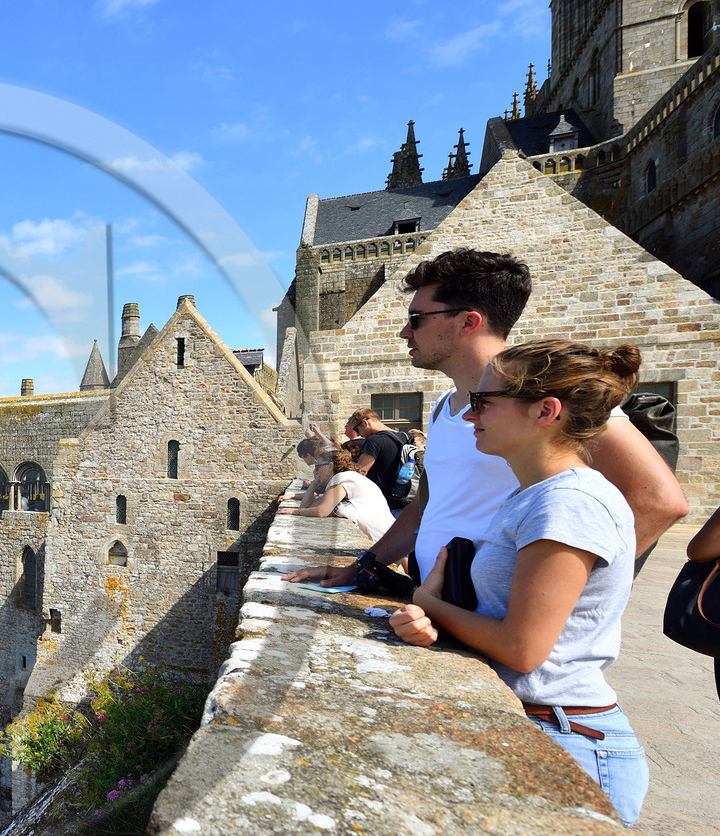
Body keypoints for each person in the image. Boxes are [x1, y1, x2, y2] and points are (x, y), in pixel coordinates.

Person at [283, 248, 686, 594]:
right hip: (440, 606)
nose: (405, 331)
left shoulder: (544, 397)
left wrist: (550, 600)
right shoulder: (443, 406)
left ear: (467, 322)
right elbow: (427, 507)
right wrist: (362, 567)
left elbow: (658, 501)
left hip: (495, 631)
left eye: (418, 318)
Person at [388, 339, 649, 825]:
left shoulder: (569, 502)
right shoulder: (532, 493)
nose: (470, 416)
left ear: (544, 412)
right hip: (543, 726)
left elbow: (523, 648)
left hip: (567, 739)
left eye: (484, 402)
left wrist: (429, 602)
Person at [281, 449, 395, 544]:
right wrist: (313, 484)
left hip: (382, 539)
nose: (315, 472)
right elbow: (307, 506)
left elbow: (321, 511)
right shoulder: (346, 478)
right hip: (387, 537)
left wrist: (293, 512)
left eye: (317, 467)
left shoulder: (342, 478)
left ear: (330, 466)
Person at [345, 408, 413, 510]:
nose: (358, 434)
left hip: (384, 505)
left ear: (365, 423)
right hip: (406, 503)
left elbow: (360, 473)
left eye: (356, 429)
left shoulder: (374, 441)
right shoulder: (404, 437)